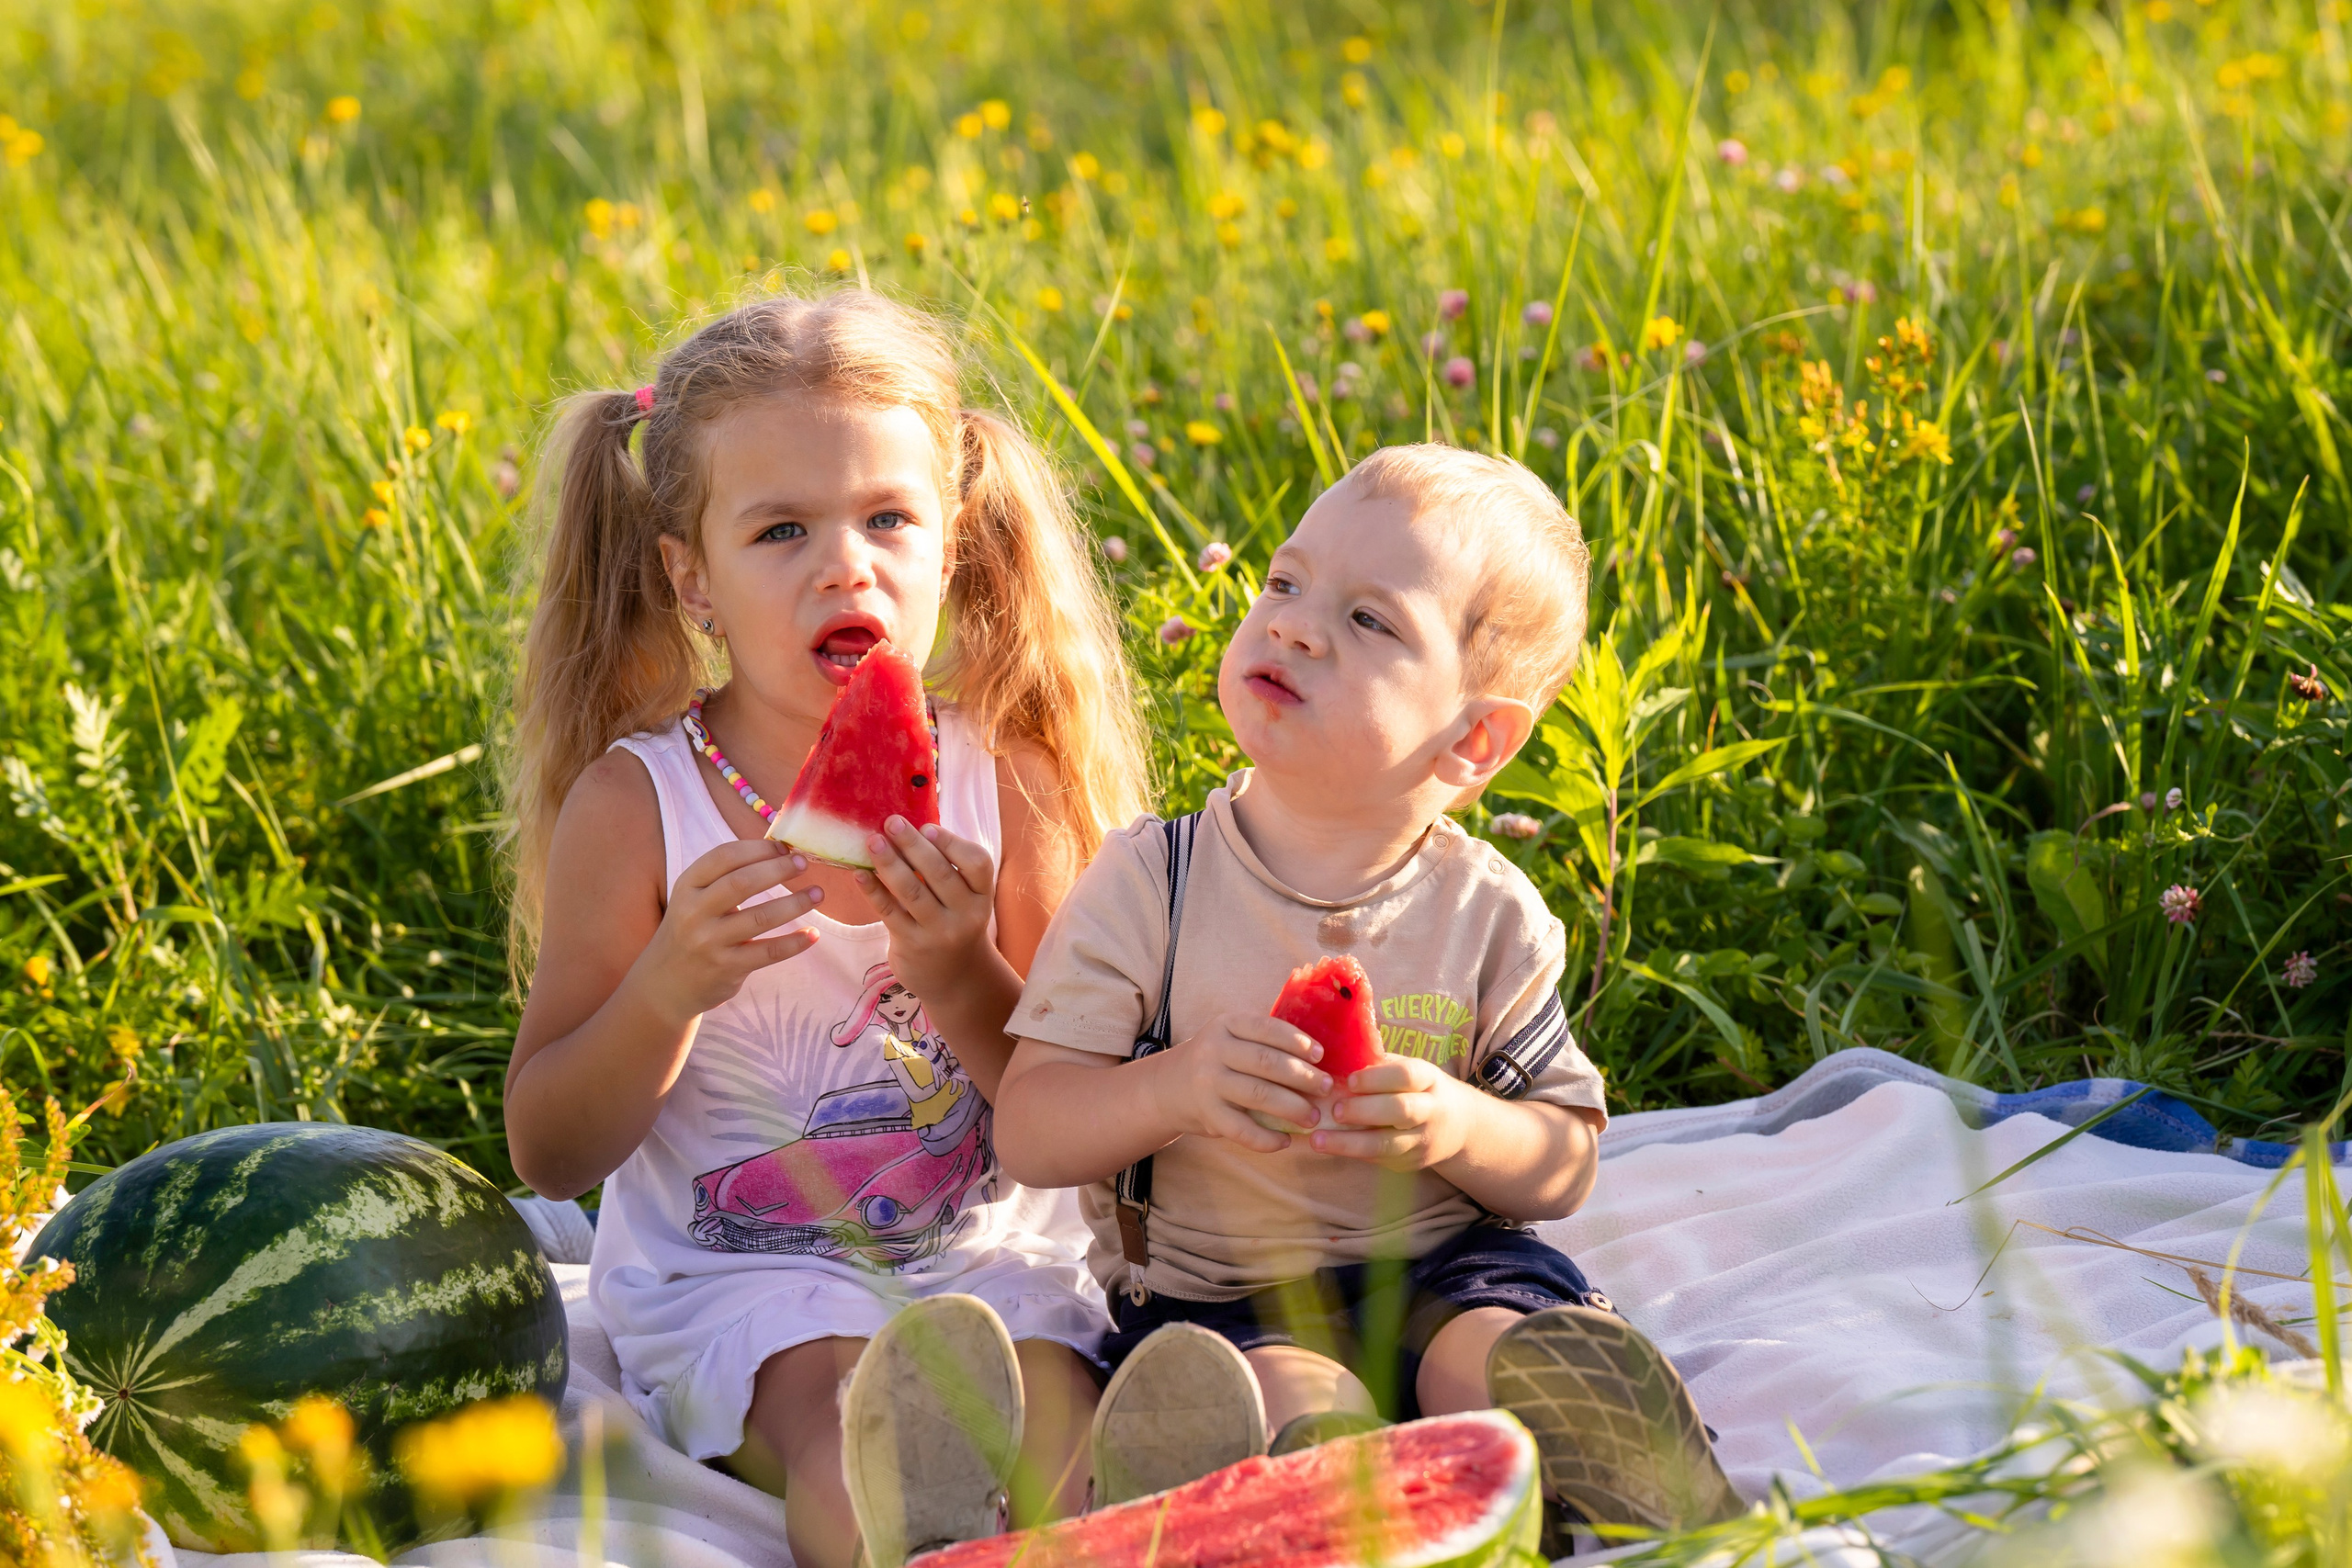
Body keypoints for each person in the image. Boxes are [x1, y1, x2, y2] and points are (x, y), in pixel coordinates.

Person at [502, 289, 1150, 1568]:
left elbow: (1075, 1122)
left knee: (1059, 1418)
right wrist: (666, 989)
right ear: (692, 576)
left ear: (954, 542)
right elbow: (549, 1148)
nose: (844, 565)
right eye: (782, 528)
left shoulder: (1009, 780)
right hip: (737, 1281)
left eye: (887, 518)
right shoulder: (640, 805)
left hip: (985, 1251)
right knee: (854, 1422)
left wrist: (963, 974)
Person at [994, 444, 1741, 1539]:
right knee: (1302, 1415)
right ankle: (1343, 1516)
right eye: (1284, 584)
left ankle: (1618, 1476)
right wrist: (1175, 1090)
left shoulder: (1490, 912)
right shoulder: (1150, 880)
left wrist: (1458, 1123)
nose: (1293, 624)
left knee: (1503, 1359)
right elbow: (1031, 1130)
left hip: (1453, 1265)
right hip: (1223, 1300)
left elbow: (1565, 1158)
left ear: (1473, 739)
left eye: (1369, 621)